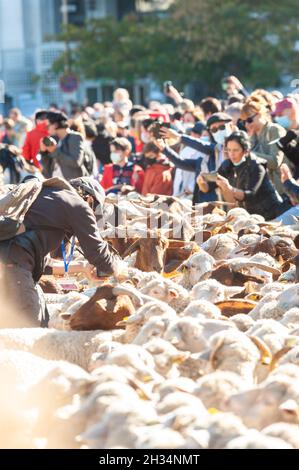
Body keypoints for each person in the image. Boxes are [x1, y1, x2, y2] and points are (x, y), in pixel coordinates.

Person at [0, 176, 123, 328]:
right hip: (12, 268)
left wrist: (81, 266)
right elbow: (99, 256)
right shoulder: (78, 204)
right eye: (95, 209)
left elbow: (40, 262)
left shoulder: (45, 196)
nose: (93, 213)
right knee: (30, 329)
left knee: (36, 316)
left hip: (11, 264)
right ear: (90, 199)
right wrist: (120, 268)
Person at [214, 131, 287, 220]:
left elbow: (250, 194)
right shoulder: (227, 165)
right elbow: (212, 184)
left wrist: (229, 188)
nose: (232, 154)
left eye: (236, 150)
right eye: (229, 150)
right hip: (253, 216)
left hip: (273, 213)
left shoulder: (257, 166)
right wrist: (203, 180)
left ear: (245, 151)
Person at [240, 97, 291, 195]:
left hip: (283, 191)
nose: (246, 124)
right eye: (243, 122)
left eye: (249, 120)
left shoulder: (274, 130)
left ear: (259, 114)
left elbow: (275, 162)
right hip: (266, 193)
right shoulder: (252, 136)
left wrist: (249, 154)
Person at [41, 111, 96, 180]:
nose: (46, 129)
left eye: (47, 126)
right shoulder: (56, 140)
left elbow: (76, 162)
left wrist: (55, 151)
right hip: (58, 185)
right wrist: (43, 152)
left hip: (74, 186)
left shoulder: (75, 137)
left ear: (55, 125)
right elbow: (47, 170)